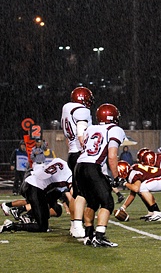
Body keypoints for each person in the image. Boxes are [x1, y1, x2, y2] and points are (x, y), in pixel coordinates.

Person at [75, 103, 126, 247]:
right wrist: (116, 177)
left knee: (92, 202)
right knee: (107, 203)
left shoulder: (91, 128)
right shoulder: (115, 129)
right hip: (92, 167)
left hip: (79, 167)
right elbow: (112, 156)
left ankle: (88, 235)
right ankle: (99, 236)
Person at [0, 156, 73, 234]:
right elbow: (71, 197)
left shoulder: (61, 163)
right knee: (42, 226)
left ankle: (28, 215)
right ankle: (12, 224)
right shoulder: (69, 175)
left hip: (32, 184)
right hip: (34, 188)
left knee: (51, 211)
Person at [61, 85, 94, 238]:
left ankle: (75, 224)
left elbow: (69, 139)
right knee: (82, 193)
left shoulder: (67, 108)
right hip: (80, 154)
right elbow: (81, 134)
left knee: (77, 192)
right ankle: (77, 224)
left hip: (72, 153)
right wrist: (87, 150)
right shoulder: (81, 111)